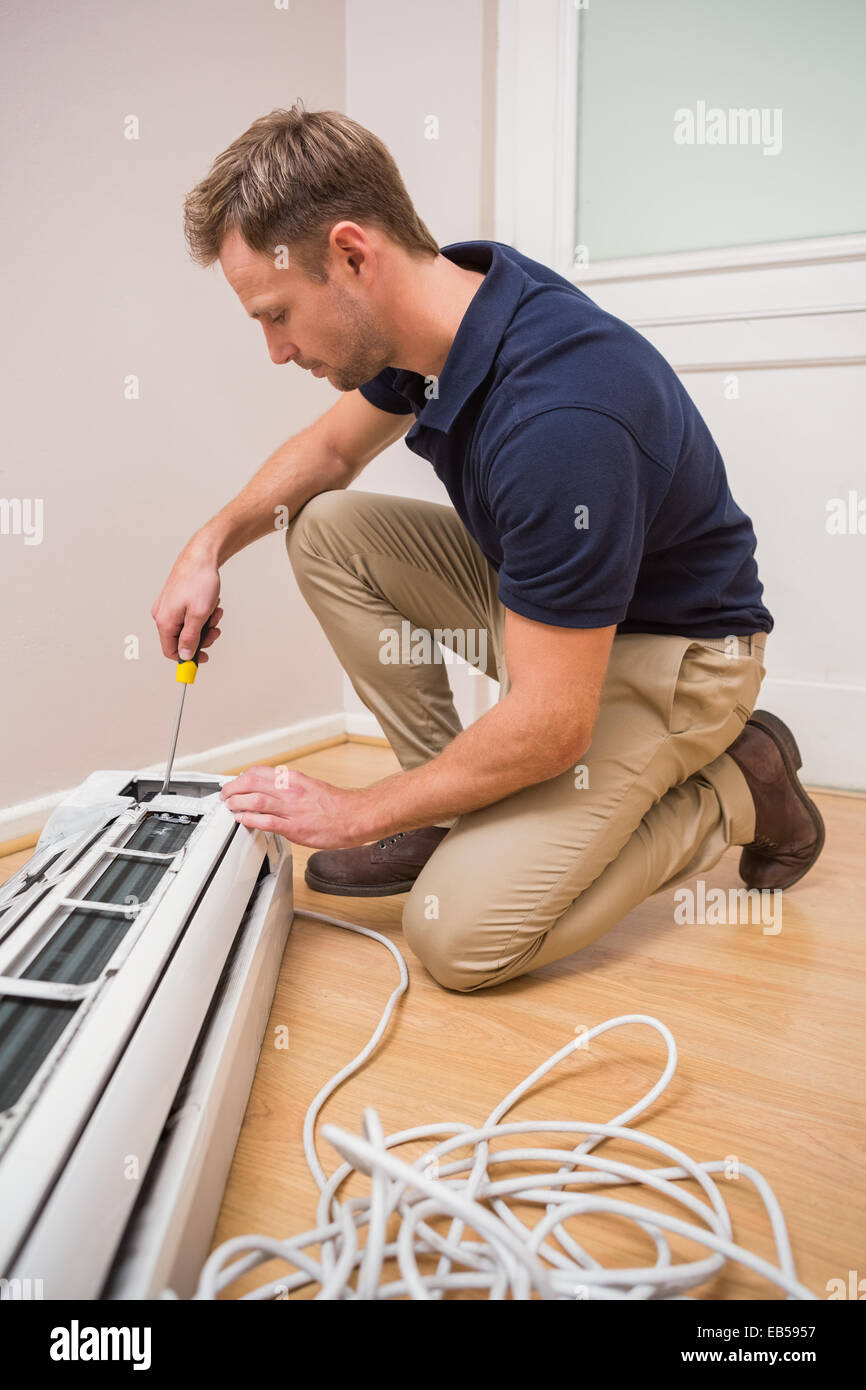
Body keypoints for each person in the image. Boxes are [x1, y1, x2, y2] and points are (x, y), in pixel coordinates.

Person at [152, 101, 824, 993]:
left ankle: (738, 783)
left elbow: (552, 723)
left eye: (277, 315)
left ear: (353, 255)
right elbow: (329, 452)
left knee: (460, 937)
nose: (277, 351)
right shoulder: (442, 308)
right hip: (556, 619)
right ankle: (443, 802)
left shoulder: (560, 419)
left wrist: (354, 814)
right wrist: (208, 545)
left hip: (673, 654)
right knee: (325, 526)